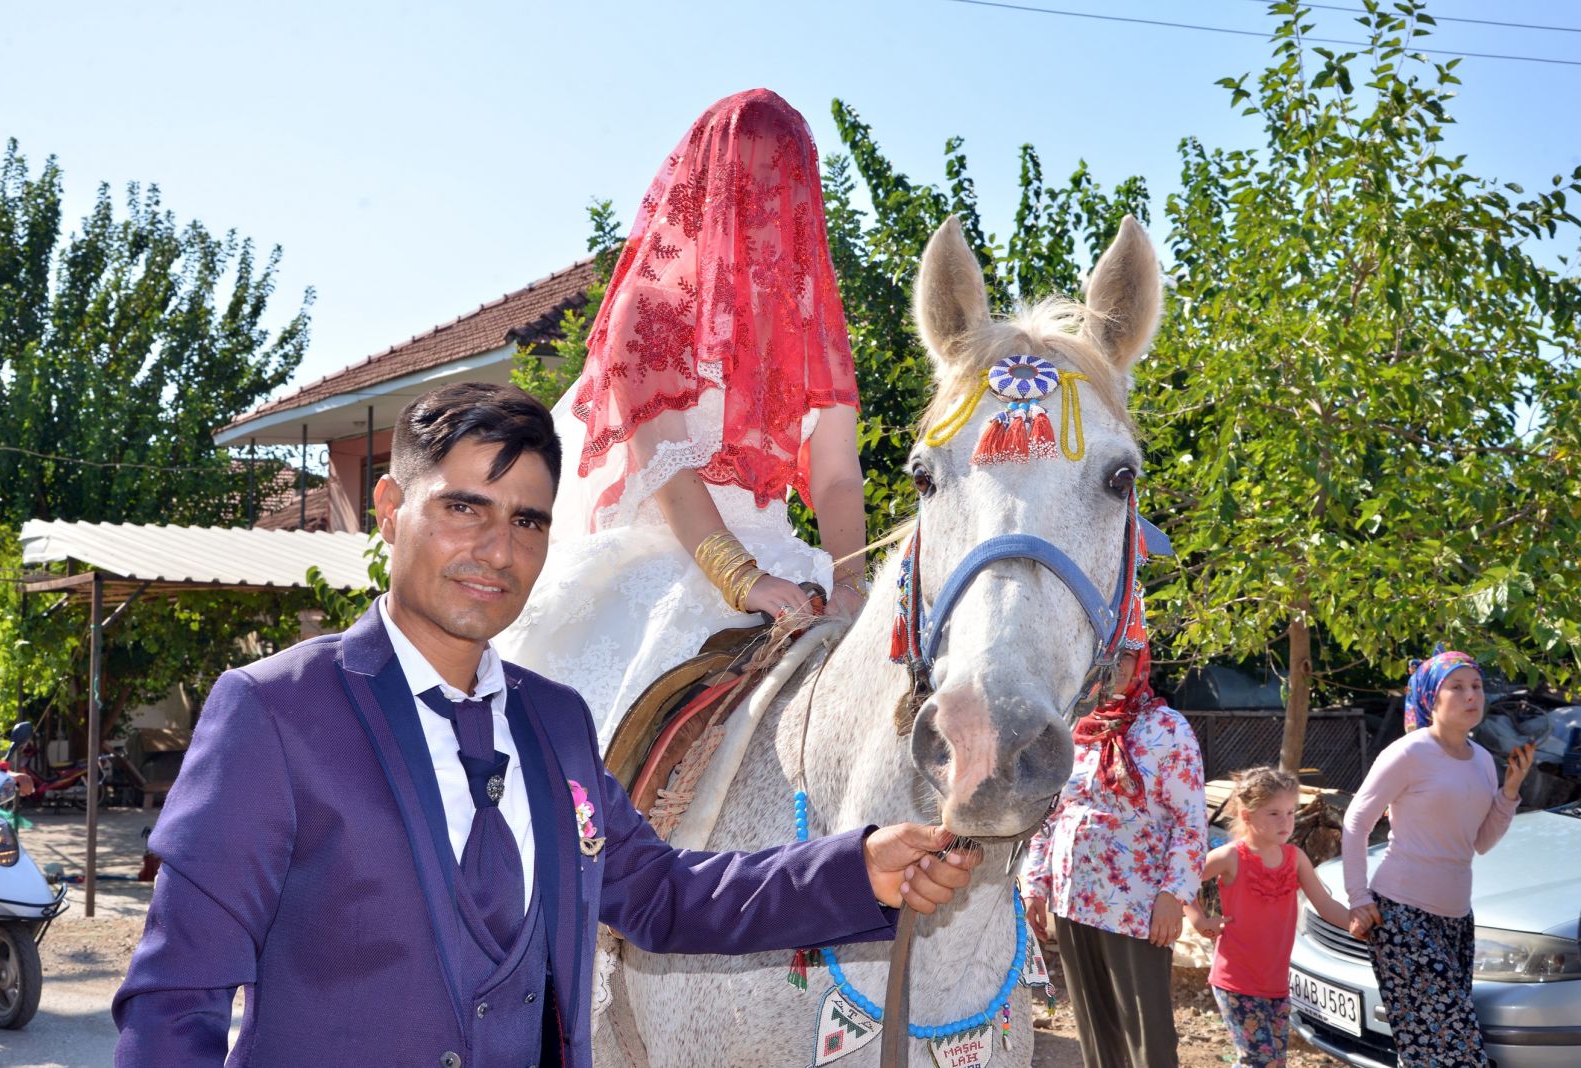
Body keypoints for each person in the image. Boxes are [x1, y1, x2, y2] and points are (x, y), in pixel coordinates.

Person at [111, 382, 979, 1068]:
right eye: (464, 508)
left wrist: (857, 870)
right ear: (388, 507)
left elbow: (662, 895)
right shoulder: (273, 711)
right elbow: (175, 999)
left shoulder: (554, 720)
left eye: (526, 521)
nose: (499, 550)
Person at [494, 88, 867, 743]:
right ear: (710, 185)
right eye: (748, 178)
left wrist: (851, 583)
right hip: (668, 564)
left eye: (782, 182)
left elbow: (837, 475)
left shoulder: (813, 333)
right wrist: (743, 579)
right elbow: (667, 465)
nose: (766, 201)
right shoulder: (648, 311)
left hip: (789, 568)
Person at [1019, 594, 1207, 1068]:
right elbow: (1051, 813)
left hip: (1137, 908)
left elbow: (1190, 823)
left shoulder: (1168, 730)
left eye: (1125, 655)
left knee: (1148, 1036)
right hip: (1073, 900)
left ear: (1141, 659)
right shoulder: (1073, 727)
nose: (1114, 667)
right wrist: (1035, 885)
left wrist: (1174, 895)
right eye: (1105, 655)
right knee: (1094, 1029)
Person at [1342, 646, 1534, 1068]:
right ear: (1431, 698)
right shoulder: (1408, 753)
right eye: (1457, 687)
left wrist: (1509, 791)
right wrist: (1358, 898)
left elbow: (1480, 842)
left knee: (1428, 1049)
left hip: (1457, 920)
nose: (1472, 695)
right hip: (1402, 916)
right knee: (1456, 1046)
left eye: (1477, 686)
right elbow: (1356, 821)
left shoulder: (1483, 761)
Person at [1183, 766, 1352, 1068]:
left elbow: (1326, 905)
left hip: (1276, 983)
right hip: (1236, 980)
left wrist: (1365, 925)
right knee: (1262, 1062)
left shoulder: (1295, 858)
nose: (1286, 821)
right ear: (1247, 816)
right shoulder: (1231, 856)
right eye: (1274, 813)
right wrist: (1200, 921)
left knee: (1271, 1061)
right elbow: (1181, 882)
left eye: (1290, 812)